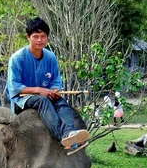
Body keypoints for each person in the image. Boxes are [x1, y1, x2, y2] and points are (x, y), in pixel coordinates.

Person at [7, 17, 89, 155]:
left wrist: (55, 90)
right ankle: (61, 136)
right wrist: (39, 90)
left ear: (47, 37)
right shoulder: (17, 58)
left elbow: (56, 80)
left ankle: (69, 133)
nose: (40, 40)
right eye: (36, 36)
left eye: (43, 36)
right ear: (28, 37)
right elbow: (14, 87)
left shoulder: (50, 57)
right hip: (21, 100)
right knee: (42, 101)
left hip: (45, 95)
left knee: (61, 101)